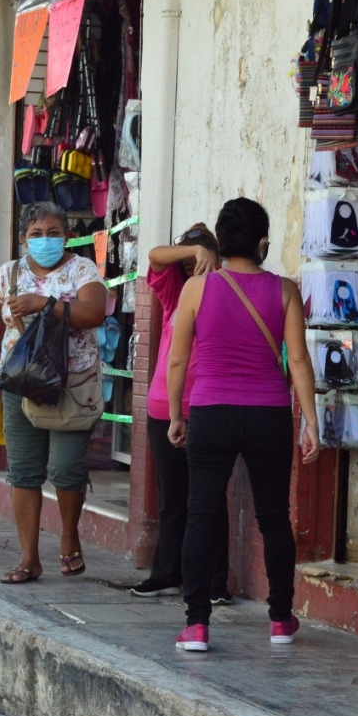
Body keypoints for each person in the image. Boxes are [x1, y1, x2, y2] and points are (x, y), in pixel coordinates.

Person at [166, 198, 320, 652]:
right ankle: (279, 620)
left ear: (221, 241)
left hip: (211, 412)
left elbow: (178, 359)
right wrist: (310, 422)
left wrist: (177, 414)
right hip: (268, 414)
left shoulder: (196, 290)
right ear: (263, 243)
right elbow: (298, 360)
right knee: (274, 517)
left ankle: (196, 624)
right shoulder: (285, 292)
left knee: (201, 514)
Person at [0, 202, 106, 584]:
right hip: (20, 384)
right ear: (23, 238)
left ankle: (69, 536)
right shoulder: (10, 274)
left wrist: (47, 305)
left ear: (67, 236)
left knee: (66, 468)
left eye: (53, 233)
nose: (45, 240)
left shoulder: (82, 269)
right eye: (36, 234)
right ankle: (28, 558)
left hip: (71, 386)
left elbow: (93, 314)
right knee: (23, 472)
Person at [128, 225, 232, 604]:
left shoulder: (225, 294)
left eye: (201, 258)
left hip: (209, 408)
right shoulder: (175, 293)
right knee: (173, 498)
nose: (194, 268)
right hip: (162, 407)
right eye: (187, 262)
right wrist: (191, 255)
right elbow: (155, 256)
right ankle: (166, 574)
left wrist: (210, 263)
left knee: (209, 498)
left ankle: (214, 583)